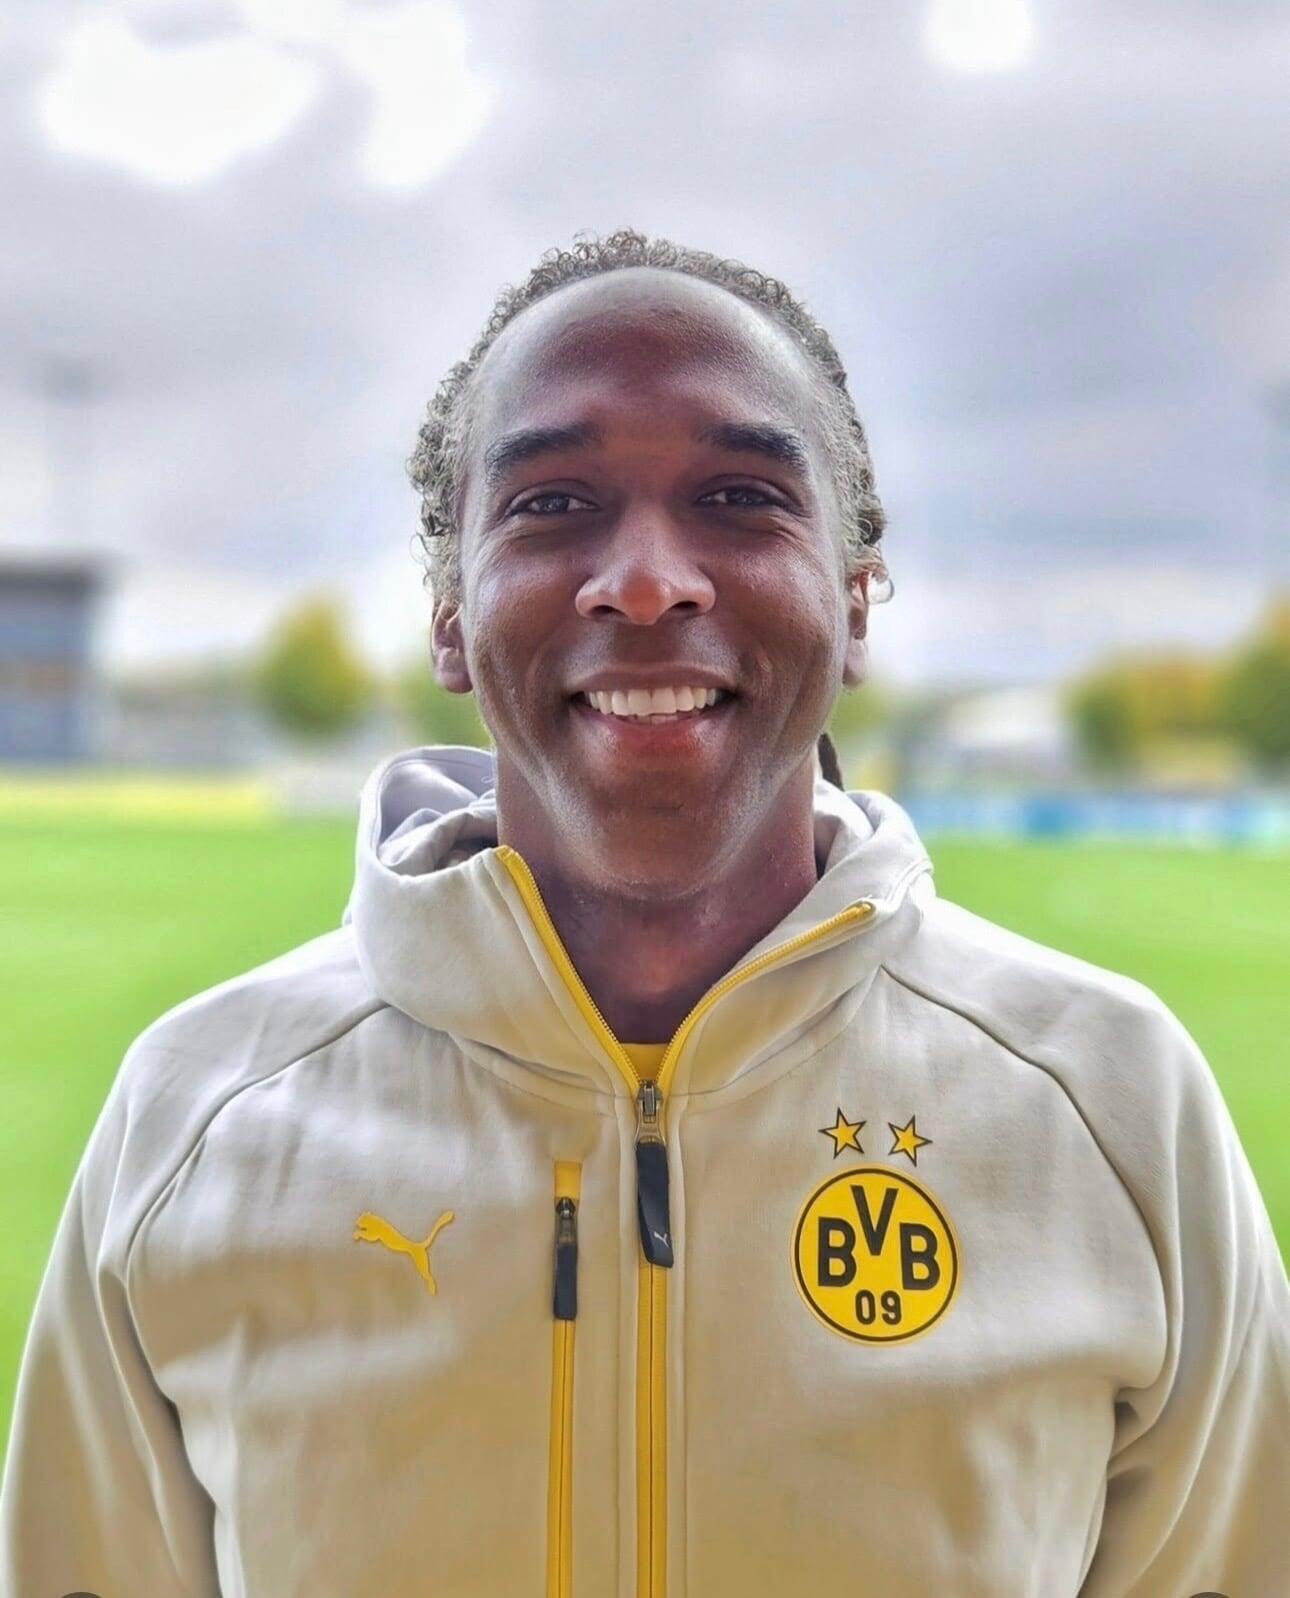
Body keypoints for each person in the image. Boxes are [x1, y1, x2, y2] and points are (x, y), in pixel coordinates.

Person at [2, 226, 1286, 1598]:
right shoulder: (200, 1118)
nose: (647, 578)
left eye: (739, 496)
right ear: (450, 615)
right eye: (553, 502)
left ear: (856, 602)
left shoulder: (1109, 1103)